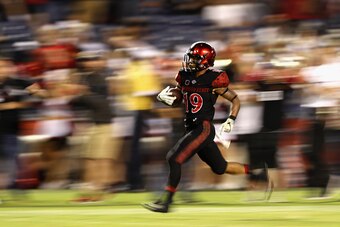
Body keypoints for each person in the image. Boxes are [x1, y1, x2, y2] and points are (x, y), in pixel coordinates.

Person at [142, 41, 271, 213]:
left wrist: (231, 119)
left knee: (174, 158)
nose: (191, 61)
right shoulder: (184, 76)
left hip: (203, 128)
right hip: (192, 128)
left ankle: (166, 201)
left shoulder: (214, 78)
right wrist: (168, 98)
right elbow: (181, 98)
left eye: (195, 58)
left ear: (206, 61)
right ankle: (256, 173)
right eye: (191, 58)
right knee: (220, 168)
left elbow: (235, 99)